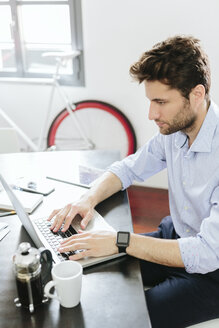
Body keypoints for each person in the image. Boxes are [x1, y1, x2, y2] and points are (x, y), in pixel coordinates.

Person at [48, 35, 219, 328]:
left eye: (160, 102)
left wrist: (121, 241)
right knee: (95, 272)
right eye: (150, 101)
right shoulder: (175, 132)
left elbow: (206, 253)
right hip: (175, 236)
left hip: (212, 273)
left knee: (126, 317)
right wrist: (87, 199)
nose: (151, 114)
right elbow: (129, 168)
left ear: (197, 94)